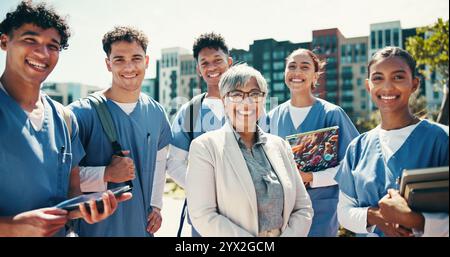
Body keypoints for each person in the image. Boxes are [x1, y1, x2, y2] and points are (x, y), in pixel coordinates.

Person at [0, 1, 130, 237]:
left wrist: (84, 208)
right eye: (30, 40)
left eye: (53, 45)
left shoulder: (64, 118)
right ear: (4, 42)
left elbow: (71, 192)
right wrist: (13, 227)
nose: (42, 53)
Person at [185, 64, 313, 237]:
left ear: (263, 99)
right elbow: (203, 215)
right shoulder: (205, 147)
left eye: (254, 94)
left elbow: (303, 208)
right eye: (236, 95)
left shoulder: (280, 146)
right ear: (224, 101)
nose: (247, 103)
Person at [334, 46, 449, 237]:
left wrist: (414, 220)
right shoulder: (357, 148)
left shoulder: (442, 140)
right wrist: (376, 216)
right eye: (378, 78)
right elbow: (343, 212)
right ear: (368, 85)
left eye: (398, 77)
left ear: (414, 84)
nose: (387, 87)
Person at [69, 26, 172, 236]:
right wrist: (105, 173)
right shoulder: (80, 114)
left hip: (141, 228)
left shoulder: (157, 113)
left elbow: (160, 163)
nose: (129, 67)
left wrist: (156, 205)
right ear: (108, 64)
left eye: (136, 58)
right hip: (97, 230)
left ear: (147, 61)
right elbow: (59, 177)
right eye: (119, 60)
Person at [265, 49, 359, 236]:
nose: (297, 72)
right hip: (282, 213)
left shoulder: (331, 114)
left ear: (315, 76)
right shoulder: (272, 117)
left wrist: (310, 177)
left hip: (321, 211)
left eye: (304, 67)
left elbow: (353, 167)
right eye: (291, 66)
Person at [167, 32, 232, 236]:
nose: (211, 67)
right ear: (198, 69)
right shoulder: (190, 111)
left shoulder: (248, 105)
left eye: (217, 60)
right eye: (205, 63)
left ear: (229, 62)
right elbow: (174, 163)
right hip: (203, 216)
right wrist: (202, 189)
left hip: (245, 210)